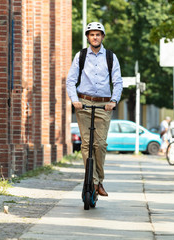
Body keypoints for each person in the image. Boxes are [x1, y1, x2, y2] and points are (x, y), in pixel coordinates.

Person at [66, 22, 123, 197]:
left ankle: (98, 180)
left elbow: (118, 82)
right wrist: (75, 100)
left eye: (98, 34)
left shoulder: (111, 57)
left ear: (103, 37)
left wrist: (113, 101)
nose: (95, 37)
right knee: (86, 144)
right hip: (83, 103)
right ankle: (94, 182)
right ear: (88, 37)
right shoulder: (81, 56)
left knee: (100, 145)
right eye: (92, 34)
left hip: (104, 105)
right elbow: (70, 80)